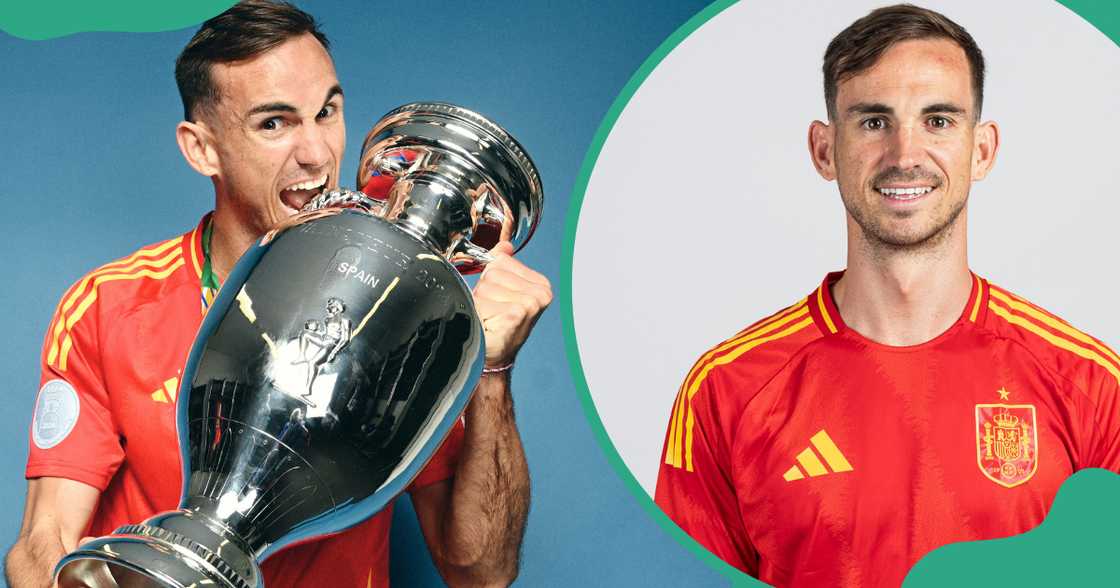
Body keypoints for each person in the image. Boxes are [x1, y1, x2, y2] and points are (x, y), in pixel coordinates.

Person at [5, 2, 551, 586]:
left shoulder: (413, 313)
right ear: (202, 149)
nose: (317, 155)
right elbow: (43, 544)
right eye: (274, 123)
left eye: (327, 112)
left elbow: (482, 573)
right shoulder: (109, 306)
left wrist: (492, 370)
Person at [654, 4, 1120, 587]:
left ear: (982, 150)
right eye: (874, 121)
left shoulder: (1089, 384)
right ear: (825, 150)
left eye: (939, 121)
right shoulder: (727, 389)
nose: (905, 155)